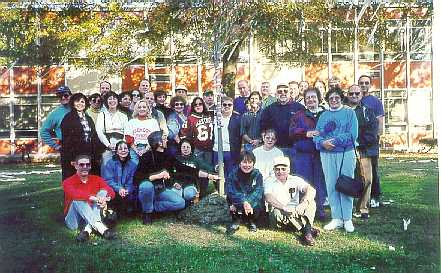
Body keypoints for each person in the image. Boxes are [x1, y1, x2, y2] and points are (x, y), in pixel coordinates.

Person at [134, 131, 218, 225]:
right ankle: (147, 213)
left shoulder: (168, 156)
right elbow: (137, 178)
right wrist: (158, 176)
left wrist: (208, 175)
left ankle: (153, 208)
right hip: (148, 190)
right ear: (159, 143)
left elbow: (187, 169)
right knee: (146, 186)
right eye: (164, 138)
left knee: (180, 203)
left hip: (161, 190)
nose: (167, 140)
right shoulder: (146, 157)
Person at [313, 87, 358, 232]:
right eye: (331, 98)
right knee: (331, 184)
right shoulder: (323, 115)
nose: (334, 100)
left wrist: (334, 141)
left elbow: (353, 134)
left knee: (346, 184)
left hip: (346, 152)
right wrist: (322, 143)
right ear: (327, 100)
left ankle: (347, 218)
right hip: (327, 154)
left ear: (341, 98)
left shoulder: (349, 113)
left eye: (336, 98)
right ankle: (336, 218)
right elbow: (317, 134)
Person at [289, 87, 327, 220]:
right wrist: (306, 133)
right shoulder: (299, 115)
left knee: (319, 182)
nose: (311, 100)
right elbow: (292, 132)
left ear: (318, 99)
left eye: (313, 97)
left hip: (320, 154)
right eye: (308, 98)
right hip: (302, 155)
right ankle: (303, 209)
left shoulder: (325, 114)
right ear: (305, 101)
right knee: (304, 182)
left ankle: (320, 210)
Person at [264, 156, 319, 246]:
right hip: (279, 212)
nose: (280, 171)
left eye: (283, 169)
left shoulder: (295, 179)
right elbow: (268, 198)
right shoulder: (269, 181)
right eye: (277, 169)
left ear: (288, 170)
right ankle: (307, 230)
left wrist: (304, 203)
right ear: (274, 170)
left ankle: (306, 232)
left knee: (311, 203)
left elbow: (311, 189)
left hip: (295, 210)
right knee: (277, 211)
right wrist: (284, 208)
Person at [63, 154, 116, 242]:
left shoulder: (97, 179)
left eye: (87, 164)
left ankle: (86, 231)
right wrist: (96, 199)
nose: (85, 167)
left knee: (103, 192)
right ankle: (102, 229)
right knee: (77, 199)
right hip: (74, 220)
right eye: (81, 165)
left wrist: (105, 199)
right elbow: (75, 194)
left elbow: (111, 192)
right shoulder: (67, 182)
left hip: (91, 214)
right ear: (75, 166)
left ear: (90, 166)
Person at [346, 85, 379, 219]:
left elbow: (372, 131)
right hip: (345, 150)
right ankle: (347, 207)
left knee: (367, 179)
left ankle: (362, 208)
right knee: (346, 179)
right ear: (347, 95)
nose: (354, 96)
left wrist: (359, 144)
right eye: (351, 93)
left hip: (363, 149)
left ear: (361, 94)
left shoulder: (367, 111)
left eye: (357, 93)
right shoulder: (343, 110)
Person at [261, 83, 304, 172]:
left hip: (294, 148)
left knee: (294, 173)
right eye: (280, 91)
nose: (283, 93)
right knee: (276, 173)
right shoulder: (269, 109)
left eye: (285, 91)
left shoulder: (299, 108)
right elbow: (263, 128)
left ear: (290, 93)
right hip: (276, 148)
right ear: (276, 94)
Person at [60, 93, 100, 180]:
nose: (80, 104)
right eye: (77, 101)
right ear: (73, 103)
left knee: (89, 177)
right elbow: (66, 140)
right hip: (74, 154)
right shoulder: (68, 118)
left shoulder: (88, 118)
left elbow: (93, 136)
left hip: (88, 152)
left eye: (82, 102)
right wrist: (72, 158)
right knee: (74, 178)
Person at [358, 75, 384, 208]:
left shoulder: (375, 102)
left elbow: (380, 122)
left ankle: (375, 196)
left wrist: (376, 137)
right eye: (361, 83)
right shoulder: (354, 98)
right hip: (358, 142)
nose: (363, 85)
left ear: (370, 85)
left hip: (371, 142)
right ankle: (361, 197)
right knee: (359, 171)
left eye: (366, 83)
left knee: (373, 170)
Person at [226, 151, 264, 235]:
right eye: (244, 162)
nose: (247, 165)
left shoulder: (257, 175)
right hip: (238, 201)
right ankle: (236, 220)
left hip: (250, 203)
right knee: (230, 198)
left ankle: (252, 221)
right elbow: (231, 191)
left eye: (250, 162)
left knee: (258, 201)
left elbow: (258, 191)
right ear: (239, 163)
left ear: (253, 163)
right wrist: (243, 202)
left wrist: (248, 202)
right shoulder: (233, 174)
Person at [102, 141, 138, 217]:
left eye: (125, 148)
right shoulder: (110, 163)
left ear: (128, 150)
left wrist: (127, 190)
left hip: (127, 192)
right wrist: (119, 189)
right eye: (120, 149)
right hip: (114, 191)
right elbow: (108, 180)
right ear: (117, 152)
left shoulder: (133, 164)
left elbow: (132, 181)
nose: (123, 150)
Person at [96, 91, 129, 169]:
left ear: (118, 101)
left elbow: (127, 131)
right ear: (106, 101)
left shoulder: (123, 116)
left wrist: (122, 146)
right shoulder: (102, 115)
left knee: (121, 167)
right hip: (107, 145)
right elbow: (99, 131)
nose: (112, 101)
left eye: (114, 99)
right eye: (110, 99)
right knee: (107, 167)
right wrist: (108, 145)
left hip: (121, 145)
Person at [213, 96, 242, 179]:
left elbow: (240, 136)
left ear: (233, 106)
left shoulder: (237, 119)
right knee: (218, 174)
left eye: (229, 105)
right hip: (217, 150)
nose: (227, 107)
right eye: (224, 104)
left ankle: (229, 192)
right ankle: (220, 191)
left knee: (231, 175)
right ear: (221, 106)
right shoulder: (215, 118)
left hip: (230, 151)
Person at [124, 99, 161, 164]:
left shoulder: (153, 122)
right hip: (134, 148)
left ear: (148, 109)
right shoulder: (131, 122)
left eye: (144, 107)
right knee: (133, 166)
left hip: (149, 149)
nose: (142, 109)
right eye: (139, 107)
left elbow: (155, 138)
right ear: (136, 109)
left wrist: (145, 149)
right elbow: (128, 138)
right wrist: (136, 150)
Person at [180, 97, 214, 164]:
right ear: (193, 106)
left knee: (209, 169)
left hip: (210, 149)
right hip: (198, 149)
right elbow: (183, 133)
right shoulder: (190, 118)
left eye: (200, 104)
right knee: (199, 168)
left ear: (203, 105)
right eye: (196, 105)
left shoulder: (210, 116)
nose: (198, 106)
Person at [40, 86, 72, 152]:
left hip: (83, 147)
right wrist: (55, 146)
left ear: (70, 95)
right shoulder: (55, 114)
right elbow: (43, 131)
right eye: (60, 96)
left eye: (65, 95)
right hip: (66, 148)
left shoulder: (79, 109)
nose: (63, 98)